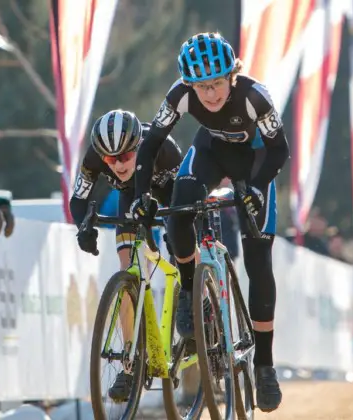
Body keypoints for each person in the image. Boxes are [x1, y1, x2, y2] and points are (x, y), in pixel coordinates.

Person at [130, 32, 288, 411]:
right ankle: (189, 291)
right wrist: (141, 194)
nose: (212, 95)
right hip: (211, 152)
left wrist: (258, 187)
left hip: (256, 162)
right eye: (202, 87)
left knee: (258, 259)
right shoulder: (179, 95)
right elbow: (150, 144)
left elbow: (280, 149)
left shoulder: (254, 96)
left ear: (232, 76)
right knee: (181, 209)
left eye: (217, 84)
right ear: (190, 84)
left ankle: (265, 365)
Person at [70, 109, 182, 401]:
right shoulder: (94, 158)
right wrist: (83, 227)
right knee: (128, 267)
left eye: (124, 157)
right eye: (110, 159)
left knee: (183, 248)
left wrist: (177, 230)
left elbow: (189, 189)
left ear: (137, 148)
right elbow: (79, 198)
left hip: (169, 190)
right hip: (131, 196)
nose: (118, 164)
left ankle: (195, 307)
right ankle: (131, 364)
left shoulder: (163, 149)